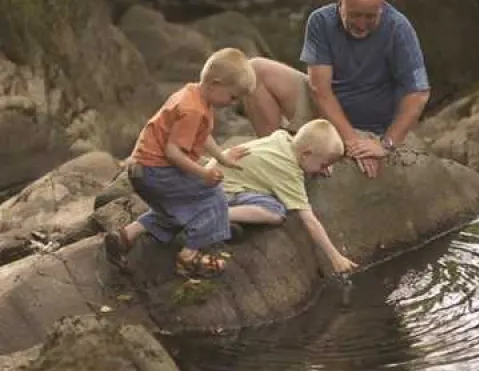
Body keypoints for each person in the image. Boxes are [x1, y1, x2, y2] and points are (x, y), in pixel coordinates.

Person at [103, 47, 256, 278]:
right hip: (155, 170)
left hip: (141, 169)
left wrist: (222, 157)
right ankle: (189, 256)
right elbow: (173, 152)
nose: (233, 103)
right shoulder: (192, 110)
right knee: (212, 196)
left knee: (178, 209)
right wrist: (203, 174)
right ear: (215, 84)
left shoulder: (193, 94)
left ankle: (126, 236)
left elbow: (202, 134)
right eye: (233, 97)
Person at [302, 0, 431, 178]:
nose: (361, 24)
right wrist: (352, 142)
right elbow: (319, 88)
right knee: (260, 70)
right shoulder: (320, 21)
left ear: (383, 6)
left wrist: (385, 144)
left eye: (370, 16)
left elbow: (419, 93)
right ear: (339, 4)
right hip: (326, 111)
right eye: (354, 15)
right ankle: (278, 159)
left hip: (373, 121)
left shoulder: (399, 28)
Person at [217, 119, 357, 275]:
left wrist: (320, 163)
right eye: (323, 165)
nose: (323, 169)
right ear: (306, 154)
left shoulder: (283, 139)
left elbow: (310, 159)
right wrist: (335, 257)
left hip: (216, 178)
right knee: (276, 211)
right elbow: (309, 220)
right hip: (223, 191)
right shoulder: (288, 171)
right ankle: (218, 214)